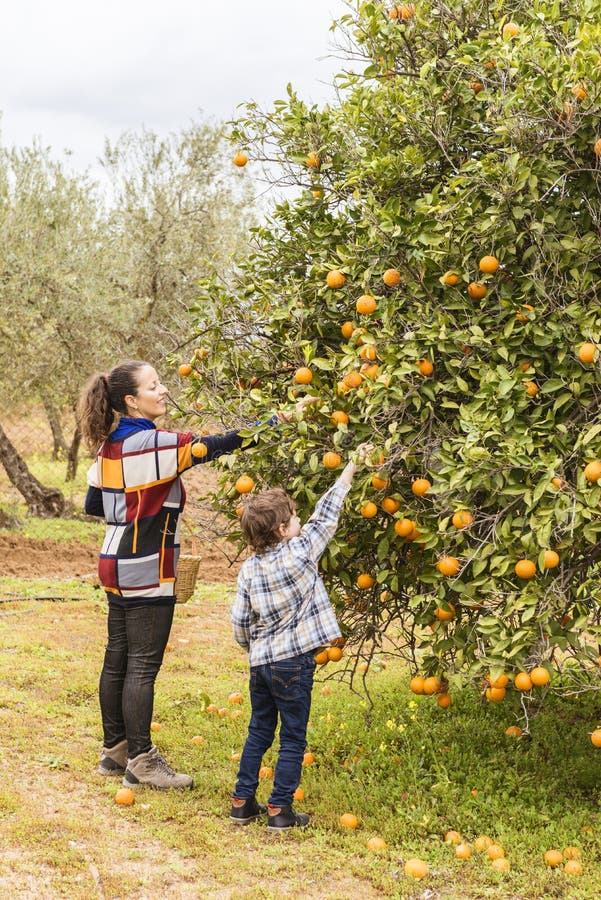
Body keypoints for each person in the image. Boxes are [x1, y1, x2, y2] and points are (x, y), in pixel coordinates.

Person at [78, 358, 311, 791]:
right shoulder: (151, 444)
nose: (164, 390)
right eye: (154, 386)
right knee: (143, 665)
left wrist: (135, 501)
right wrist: (280, 419)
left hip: (114, 561)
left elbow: (95, 504)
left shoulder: (109, 446)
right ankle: (142, 760)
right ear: (132, 400)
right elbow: (217, 444)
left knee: (119, 656)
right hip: (147, 563)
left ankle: (116, 750)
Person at [229, 442, 372, 830]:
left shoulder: (248, 571)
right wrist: (351, 468)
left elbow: (240, 623)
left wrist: (254, 648)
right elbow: (327, 513)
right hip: (294, 664)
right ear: (282, 530)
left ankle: (242, 802)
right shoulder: (301, 551)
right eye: (294, 518)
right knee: (293, 736)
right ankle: (279, 810)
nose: (300, 522)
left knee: (259, 729)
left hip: (261, 665)